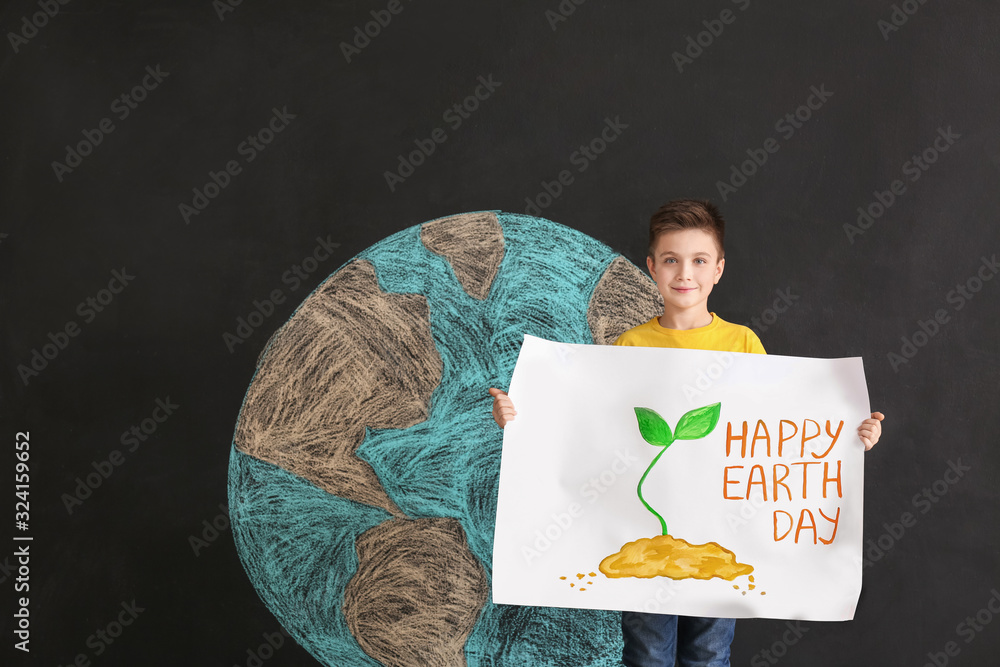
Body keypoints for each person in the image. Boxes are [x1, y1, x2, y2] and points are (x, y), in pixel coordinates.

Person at [488, 199, 884, 667]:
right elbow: (591, 427)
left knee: (709, 653)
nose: (685, 273)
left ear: (718, 269)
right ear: (652, 268)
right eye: (671, 260)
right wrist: (521, 418)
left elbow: (773, 426)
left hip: (721, 531)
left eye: (699, 260)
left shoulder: (743, 344)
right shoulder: (630, 345)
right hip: (639, 536)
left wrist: (849, 437)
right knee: (648, 653)